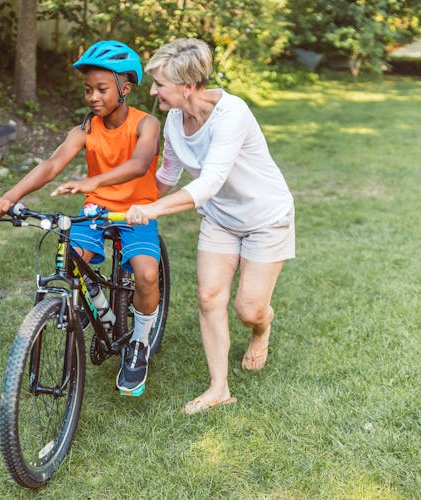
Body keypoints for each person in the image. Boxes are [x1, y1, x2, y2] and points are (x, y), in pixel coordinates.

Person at [125, 38, 295, 415]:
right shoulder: (174, 119)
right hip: (221, 218)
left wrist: (153, 210)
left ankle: (262, 326)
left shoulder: (231, 114)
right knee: (208, 297)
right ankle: (219, 387)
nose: (152, 91)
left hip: (265, 216)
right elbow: (168, 171)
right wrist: (128, 204)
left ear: (188, 85)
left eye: (160, 84)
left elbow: (208, 183)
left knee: (249, 309)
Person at [0, 40, 162, 396]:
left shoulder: (147, 124)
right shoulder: (84, 129)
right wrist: (10, 196)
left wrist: (92, 180)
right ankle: (89, 307)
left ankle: (140, 344)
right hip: (96, 210)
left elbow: (139, 164)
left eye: (102, 89)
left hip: (137, 210)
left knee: (146, 274)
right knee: (71, 262)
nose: (93, 97)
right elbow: (52, 165)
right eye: (88, 90)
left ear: (125, 89)